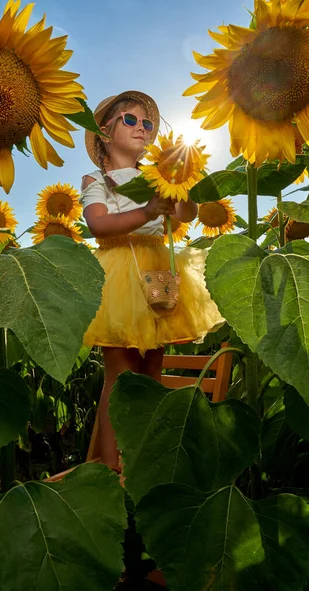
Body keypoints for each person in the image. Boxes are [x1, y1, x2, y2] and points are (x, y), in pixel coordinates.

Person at [80, 90, 224, 470]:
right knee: (121, 376)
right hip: (120, 273)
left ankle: (146, 461)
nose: (142, 128)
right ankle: (112, 465)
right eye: (131, 119)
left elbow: (182, 216)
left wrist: (184, 184)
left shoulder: (155, 176)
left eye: (147, 124)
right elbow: (98, 225)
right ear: (105, 131)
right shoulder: (99, 179)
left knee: (152, 372)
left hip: (159, 269)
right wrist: (146, 211)